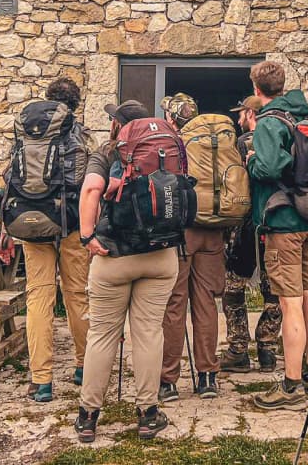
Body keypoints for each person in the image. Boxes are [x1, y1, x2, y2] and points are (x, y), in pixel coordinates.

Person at [74, 100, 181, 443]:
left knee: (102, 334)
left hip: (113, 255)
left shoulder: (105, 153)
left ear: (117, 126)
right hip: (161, 255)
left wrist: (87, 235)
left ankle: (89, 416)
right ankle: (148, 414)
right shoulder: (167, 149)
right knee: (149, 332)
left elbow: (91, 189)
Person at [245, 61, 308, 410]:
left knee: (289, 302)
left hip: (285, 223)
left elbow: (270, 167)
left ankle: (291, 386)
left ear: (257, 89)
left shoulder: (269, 121)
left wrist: (250, 159)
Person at [20, 77, 92, 402]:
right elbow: (86, 178)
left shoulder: (25, 129)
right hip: (71, 224)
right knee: (77, 294)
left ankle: (42, 380)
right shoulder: (75, 130)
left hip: (31, 221)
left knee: (38, 295)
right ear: (75, 104)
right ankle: (84, 365)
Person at [158, 93, 227, 400]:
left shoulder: (173, 143)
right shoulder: (214, 141)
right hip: (213, 230)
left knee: (175, 304)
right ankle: (208, 376)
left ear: (173, 118)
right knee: (206, 302)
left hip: (182, 232)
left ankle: (168, 380)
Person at [221, 96, 280, 373]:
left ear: (250, 113)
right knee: (274, 289)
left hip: (244, 225)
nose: (238, 118)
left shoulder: (242, 142)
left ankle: (238, 349)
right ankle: (267, 349)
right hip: (275, 223)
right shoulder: (281, 139)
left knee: (234, 287)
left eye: (241, 113)